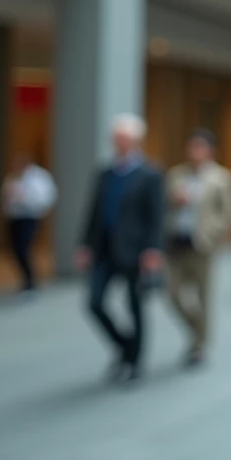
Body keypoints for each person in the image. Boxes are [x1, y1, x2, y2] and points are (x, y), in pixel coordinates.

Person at [76, 114, 165, 384]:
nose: (118, 143)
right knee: (94, 302)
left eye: (123, 138)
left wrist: (153, 249)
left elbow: (156, 215)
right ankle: (124, 346)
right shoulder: (106, 172)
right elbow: (93, 211)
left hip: (135, 250)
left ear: (136, 141)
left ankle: (135, 361)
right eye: (115, 138)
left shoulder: (150, 174)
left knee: (134, 305)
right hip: (104, 249)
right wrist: (85, 245)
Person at [164, 129, 231, 367]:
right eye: (191, 146)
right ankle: (199, 331)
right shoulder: (176, 175)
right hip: (175, 243)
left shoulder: (221, 178)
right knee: (172, 294)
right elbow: (161, 205)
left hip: (201, 245)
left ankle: (199, 345)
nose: (195, 152)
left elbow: (230, 212)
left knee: (202, 297)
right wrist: (174, 201)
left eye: (200, 147)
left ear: (209, 150)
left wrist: (212, 231)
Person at [1, 153, 58, 295]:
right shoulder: (13, 177)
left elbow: (45, 198)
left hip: (30, 216)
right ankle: (26, 279)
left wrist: (25, 199)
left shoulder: (38, 177)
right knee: (15, 249)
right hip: (14, 217)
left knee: (24, 248)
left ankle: (30, 281)